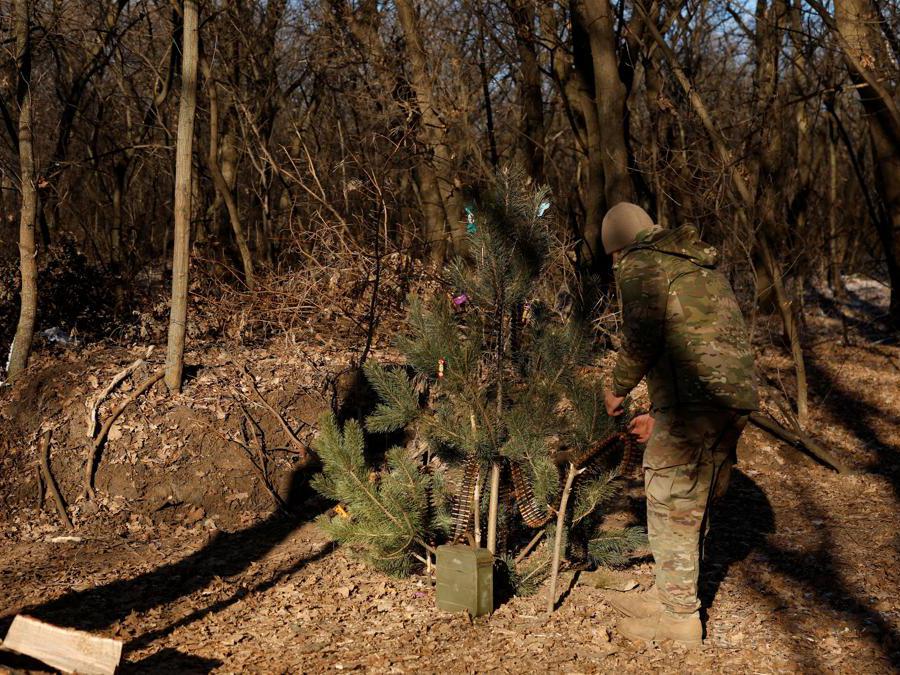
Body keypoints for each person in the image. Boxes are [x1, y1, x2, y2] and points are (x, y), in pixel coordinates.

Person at [600, 202, 759, 646]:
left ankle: (678, 618)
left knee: (672, 501)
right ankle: (669, 595)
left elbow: (644, 334)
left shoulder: (641, 262)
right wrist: (663, 411)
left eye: (612, 257)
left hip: (696, 402)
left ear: (617, 247)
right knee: (693, 497)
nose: (615, 265)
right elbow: (695, 341)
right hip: (730, 399)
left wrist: (617, 388)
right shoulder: (695, 266)